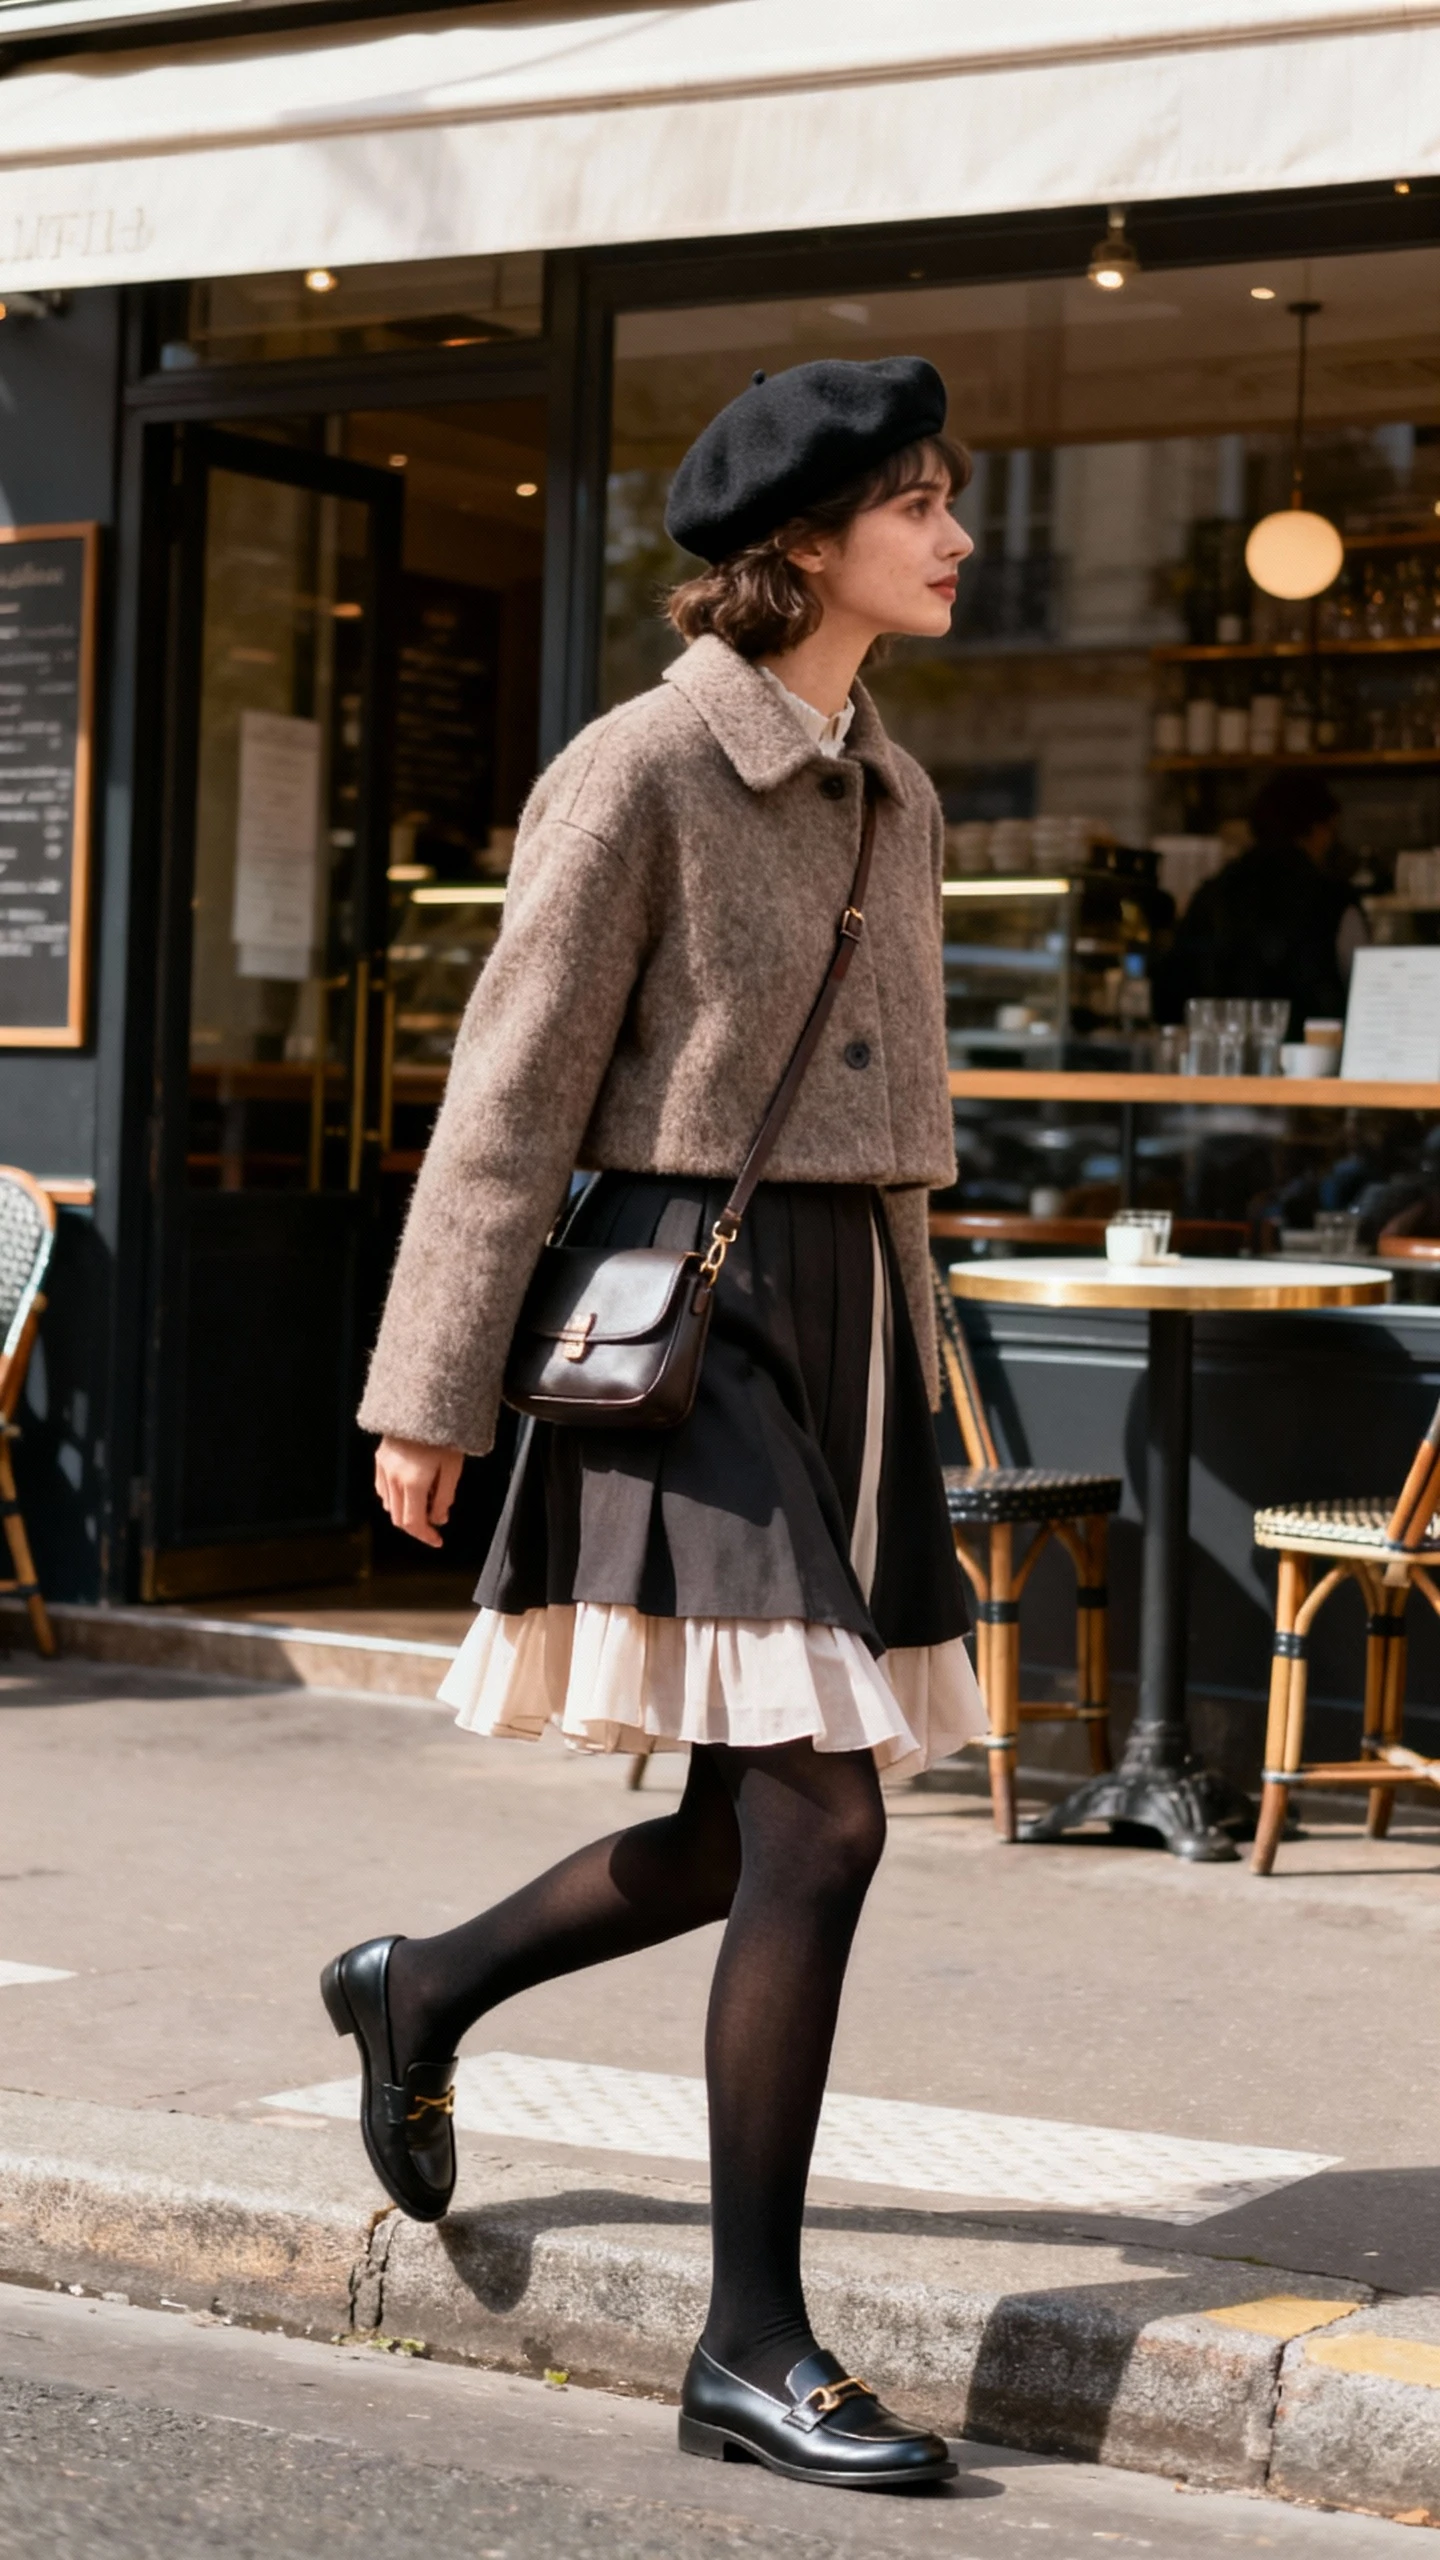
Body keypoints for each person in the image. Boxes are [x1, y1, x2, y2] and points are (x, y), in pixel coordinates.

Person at [322, 357, 988, 2492]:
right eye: (924, 502)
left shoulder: (902, 788)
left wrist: (930, 1364)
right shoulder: (636, 771)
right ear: (801, 544)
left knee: (748, 1825)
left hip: (847, 1328)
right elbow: (510, 1096)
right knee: (829, 1819)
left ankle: (416, 1986)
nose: (961, 535)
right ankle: (752, 2336)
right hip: (681, 1327)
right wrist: (427, 1386)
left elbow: (896, 1128)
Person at [1160, 771, 1364, 1037]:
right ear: (1317, 830)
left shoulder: (1211, 893)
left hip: (1214, 1061)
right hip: (1306, 1063)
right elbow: (1365, 986)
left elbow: (1173, 986)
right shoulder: (1333, 898)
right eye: (1331, 830)